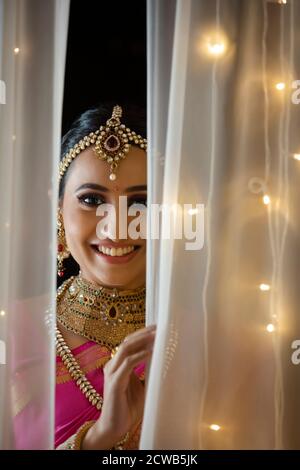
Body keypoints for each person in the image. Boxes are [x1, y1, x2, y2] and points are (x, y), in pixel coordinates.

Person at [55, 102, 156, 450]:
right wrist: (100, 438)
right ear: (59, 212)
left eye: (140, 201)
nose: (116, 226)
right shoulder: (13, 334)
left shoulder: (209, 339)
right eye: (91, 199)